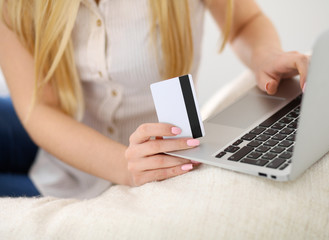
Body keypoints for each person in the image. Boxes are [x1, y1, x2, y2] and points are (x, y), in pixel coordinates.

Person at [0, 0, 309, 198]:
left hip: (85, 175)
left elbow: (244, 22)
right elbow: (39, 108)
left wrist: (267, 56)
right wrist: (122, 164)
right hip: (65, 141)